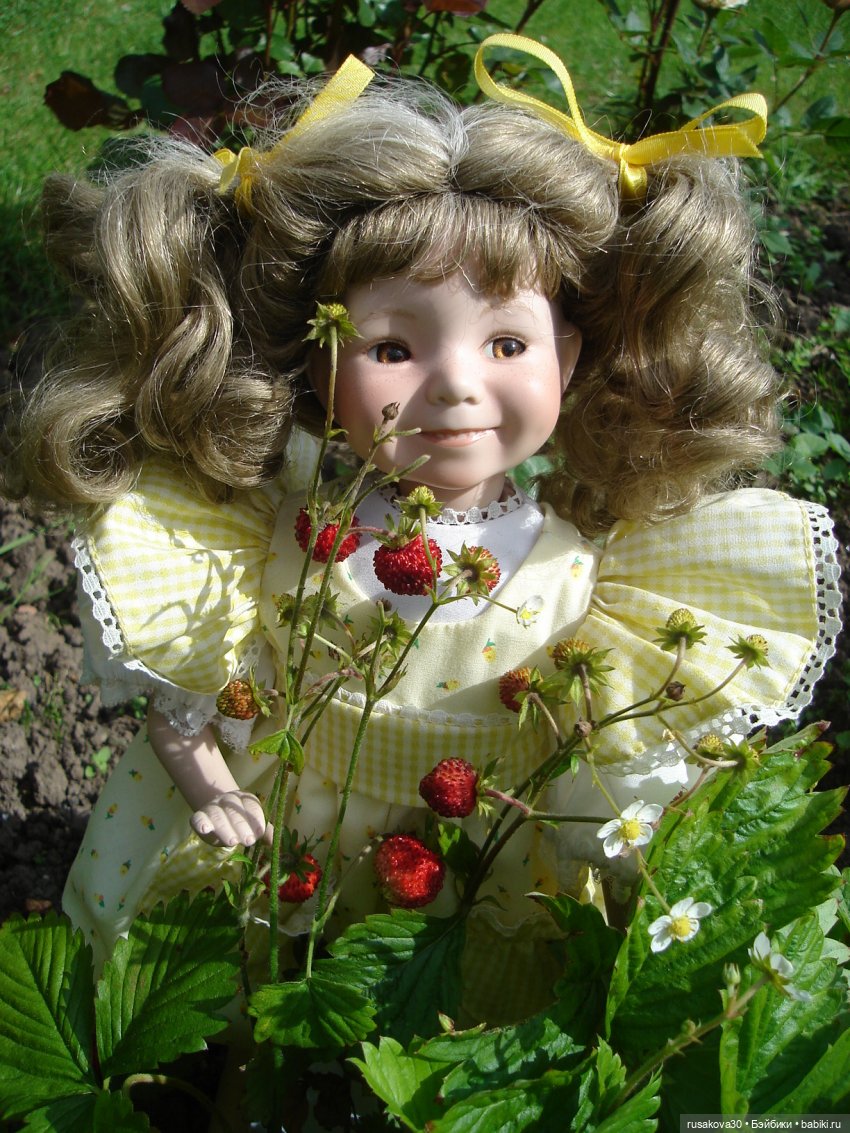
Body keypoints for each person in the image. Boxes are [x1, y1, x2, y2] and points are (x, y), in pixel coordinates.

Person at [1, 38, 840, 1024]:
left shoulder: (593, 583)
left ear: (569, 357)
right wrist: (212, 779)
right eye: (393, 347)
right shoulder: (275, 549)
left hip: (487, 857)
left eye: (507, 342)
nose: (455, 385)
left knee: (461, 1022)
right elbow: (208, 699)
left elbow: (604, 752)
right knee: (271, 1007)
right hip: (298, 837)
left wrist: (633, 824)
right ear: (318, 366)